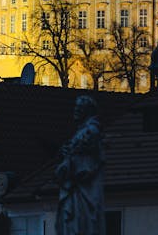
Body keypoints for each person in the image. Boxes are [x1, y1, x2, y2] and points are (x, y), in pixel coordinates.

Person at [56, 95, 105, 235]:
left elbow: (85, 155)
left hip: (83, 188)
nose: (75, 111)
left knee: (83, 220)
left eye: (79, 108)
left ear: (88, 111)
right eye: (75, 108)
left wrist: (69, 156)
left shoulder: (91, 130)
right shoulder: (81, 131)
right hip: (76, 187)